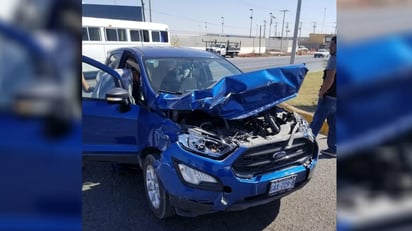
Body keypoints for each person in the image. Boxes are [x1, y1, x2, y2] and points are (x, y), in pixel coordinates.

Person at [310, 36, 336, 157]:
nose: (329, 47)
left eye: (332, 45)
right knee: (334, 124)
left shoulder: (334, 59)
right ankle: (333, 148)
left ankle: (307, 148)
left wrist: (322, 93)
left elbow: (329, 79)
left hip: (329, 97)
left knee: (316, 122)